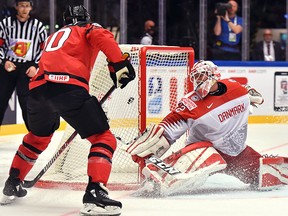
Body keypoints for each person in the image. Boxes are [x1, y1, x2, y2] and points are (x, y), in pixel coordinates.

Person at [1, 4, 135, 216]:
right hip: (68, 88)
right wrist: (119, 64)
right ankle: (95, 193)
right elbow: (104, 38)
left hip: (37, 91)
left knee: (37, 138)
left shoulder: (54, 36)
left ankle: (12, 182)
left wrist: (113, 68)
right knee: (104, 138)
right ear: (85, 18)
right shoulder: (87, 28)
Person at [125, 60, 288, 196]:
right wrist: (154, 145)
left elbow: (257, 97)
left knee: (264, 175)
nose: (197, 81)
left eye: (201, 76)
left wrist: (253, 97)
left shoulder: (236, 88)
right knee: (205, 152)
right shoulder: (191, 102)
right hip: (204, 150)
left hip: (237, 153)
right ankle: (158, 180)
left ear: (213, 75)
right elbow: (171, 125)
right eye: (195, 78)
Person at [0, 0, 47, 130]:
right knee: (1, 101)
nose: (24, 9)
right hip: (8, 67)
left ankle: (32, 137)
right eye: (21, 5)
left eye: (27, 6)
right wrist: (4, 61)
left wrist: (36, 66)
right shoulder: (5, 24)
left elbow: (44, 49)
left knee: (27, 103)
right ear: (16, 7)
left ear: (31, 8)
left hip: (27, 69)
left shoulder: (38, 27)